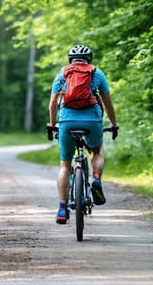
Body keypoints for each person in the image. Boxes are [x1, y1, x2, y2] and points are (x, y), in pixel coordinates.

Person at [46, 44, 119, 224]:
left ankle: (62, 209)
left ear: (71, 59)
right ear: (89, 59)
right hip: (92, 121)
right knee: (96, 152)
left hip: (67, 121)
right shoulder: (97, 73)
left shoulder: (63, 73)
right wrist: (114, 124)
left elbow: (53, 103)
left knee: (65, 165)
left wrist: (52, 124)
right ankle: (95, 179)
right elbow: (107, 102)